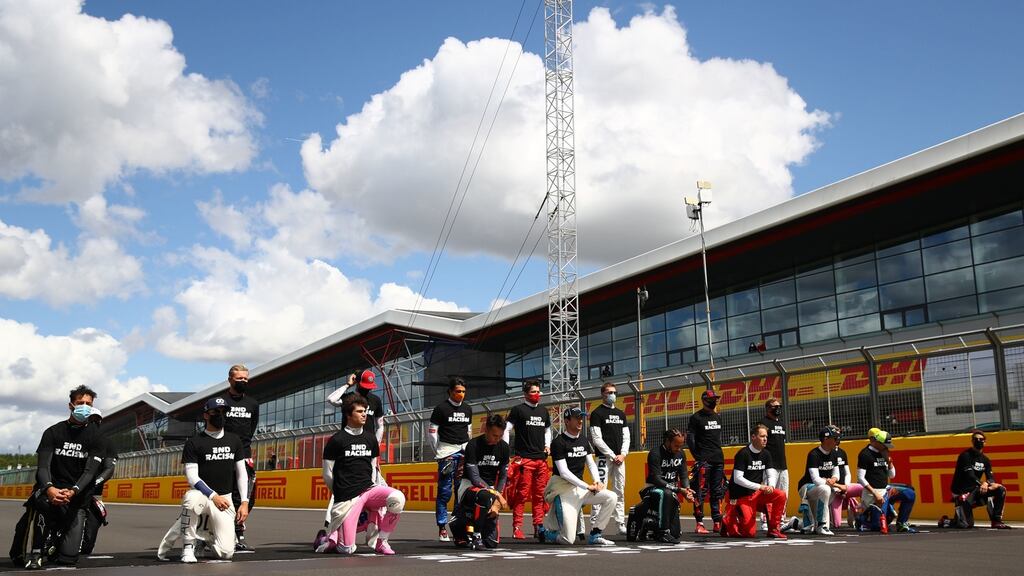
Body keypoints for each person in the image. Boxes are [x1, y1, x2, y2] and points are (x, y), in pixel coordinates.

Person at [13, 386, 104, 569]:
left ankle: (55, 542)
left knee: (68, 558)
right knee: (40, 505)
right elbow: (43, 466)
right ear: (71, 405)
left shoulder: (97, 437)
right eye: (80, 403)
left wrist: (73, 491)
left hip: (76, 496)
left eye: (89, 404)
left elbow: (90, 472)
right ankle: (35, 552)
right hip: (50, 491)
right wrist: (50, 488)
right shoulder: (53, 432)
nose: (84, 407)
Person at [159, 397, 249, 563]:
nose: (220, 415)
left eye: (223, 412)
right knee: (191, 499)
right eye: (216, 411)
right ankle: (188, 547)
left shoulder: (234, 440)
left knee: (226, 553)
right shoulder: (194, 442)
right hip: (204, 495)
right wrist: (213, 496)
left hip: (226, 499)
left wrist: (244, 502)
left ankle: (205, 537)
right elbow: (192, 476)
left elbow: (241, 473)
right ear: (206, 415)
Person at [316, 395, 405, 555]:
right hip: (347, 496)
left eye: (365, 411)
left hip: (368, 490)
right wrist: (340, 493)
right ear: (348, 415)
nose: (364, 414)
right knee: (347, 549)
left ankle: (381, 542)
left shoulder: (370, 439)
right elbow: (327, 474)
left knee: (397, 498)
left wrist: (371, 496)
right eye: (359, 411)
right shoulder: (336, 440)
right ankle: (326, 539)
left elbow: (372, 469)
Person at [537, 407, 616, 546]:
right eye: (576, 418)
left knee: (611, 497)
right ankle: (544, 532)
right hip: (563, 491)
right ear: (567, 421)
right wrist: (587, 486)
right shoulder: (558, 442)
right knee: (568, 540)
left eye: (581, 417)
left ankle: (595, 534)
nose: (580, 421)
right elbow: (564, 472)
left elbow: (591, 464)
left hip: (580, 490)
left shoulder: (584, 440)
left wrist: (597, 481)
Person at [449, 414, 510, 550]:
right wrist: (497, 496)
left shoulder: (504, 448)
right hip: (469, 486)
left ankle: (461, 522)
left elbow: (503, 476)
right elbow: (475, 478)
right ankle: (476, 536)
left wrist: (496, 501)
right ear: (486, 429)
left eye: (500, 436)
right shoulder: (473, 445)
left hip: (490, 491)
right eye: (495, 435)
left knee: (492, 543)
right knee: (485, 495)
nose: (497, 439)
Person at [503, 380, 552, 540]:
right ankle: (517, 527)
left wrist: (547, 446)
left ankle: (539, 526)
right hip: (524, 459)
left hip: (541, 460)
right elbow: (507, 429)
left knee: (539, 496)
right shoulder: (518, 410)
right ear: (525, 394)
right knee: (521, 495)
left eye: (538, 391)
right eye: (533, 392)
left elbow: (547, 430)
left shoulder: (544, 411)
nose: (537, 394)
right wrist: (504, 448)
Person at [428, 377, 473, 541]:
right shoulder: (441, 408)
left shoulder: (468, 409)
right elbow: (432, 433)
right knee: (444, 492)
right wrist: (439, 452)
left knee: (461, 492)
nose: (461, 394)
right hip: (446, 453)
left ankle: (457, 525)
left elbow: (469, 432)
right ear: (450, 391)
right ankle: (442, 527)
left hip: (463, 453)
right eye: (458, 391)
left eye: (463, 392)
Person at [220, 364, 259, 551]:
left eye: (245, 378)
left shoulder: (252, 404)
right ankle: (225, 533)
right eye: (239, 379)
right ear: (230, 379)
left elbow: (251, 428)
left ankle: (238, 532)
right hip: (223, 455)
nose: (243, 381)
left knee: (248, 496)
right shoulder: (221, 402)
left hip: (244, 453)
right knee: (226, 494)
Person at [631, 428, 695, 543]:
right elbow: (656, 479)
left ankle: (649, 524)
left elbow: (684, 476)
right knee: (666, 492)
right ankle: (663, 533)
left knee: (675, 533)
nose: (679, 449)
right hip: (652, 489)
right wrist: (679, 490)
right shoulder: (655, 453)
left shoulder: (681, 454)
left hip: (672, 491)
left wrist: (687, 490)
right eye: (676, 445)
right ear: (667, 441)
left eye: (681, 445)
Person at [942, 429, 1011, 529]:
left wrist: (989, 483)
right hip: (961, 491)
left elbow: (991, 478)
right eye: (976, 439)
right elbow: (970, 475)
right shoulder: (965, 456)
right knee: (966, 524)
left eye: (981, 439)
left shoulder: (985, 460)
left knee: (1000, 489)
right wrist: (982, 484)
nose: (979, 441)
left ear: (985, 442)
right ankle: (946, 520)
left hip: (975, 489)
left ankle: (996, 521)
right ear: (972, 441)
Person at [856, 428, 918, 533]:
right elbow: (860, 478)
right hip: (873, 492)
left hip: (886, 490)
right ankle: (861, 519)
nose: (886, 447)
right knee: (877, 526)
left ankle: (901, 523)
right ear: (876, 442)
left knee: (910, 493)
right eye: (885, 445)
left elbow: (892, 475)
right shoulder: (865, 454)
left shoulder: (884, 453)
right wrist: (875, 493)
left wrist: (889, 461)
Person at [589, 382, 630, 535]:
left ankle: (620, 523)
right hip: (603, 459)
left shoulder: (621, 414)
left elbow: (626, 436)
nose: (612, 395)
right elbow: (596, 439)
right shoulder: (597, 413)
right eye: (609, 392)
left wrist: (623, 454)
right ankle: (595, 524)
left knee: (620, 491)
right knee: (600, 491)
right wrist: (612, 456)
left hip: (620, 459)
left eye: (614, 392)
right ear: (602, 394)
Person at [686, 388, 725, 534]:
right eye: (712, 399)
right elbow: (690, 439)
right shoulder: (696, 418)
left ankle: (717, 521)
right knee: (700, 491)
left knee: (717, 491)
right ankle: (700, 523)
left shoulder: (718, 416)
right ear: (704, 400)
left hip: (718, 459)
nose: (714, 401)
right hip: (703, 460)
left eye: (716, 398)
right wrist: (698, 457)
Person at [80, 408, 118, 556]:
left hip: (94, 493)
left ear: (100, 422)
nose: (93, 423)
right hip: (69, 491)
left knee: (90, 538)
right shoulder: (73, 439)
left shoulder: (107, 442)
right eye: (90, 420)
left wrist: (93, 483)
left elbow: (109, 469)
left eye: (96, 420)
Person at [795, 426, 841, 536]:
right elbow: (815, 479)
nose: (838, 441)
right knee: (826, 489)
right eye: (835, 438)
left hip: (822, 488)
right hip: (807, 488)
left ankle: (794, 523)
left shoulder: (834, 453)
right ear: (826, 439)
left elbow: (837, 474)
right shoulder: (814, 454)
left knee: (811, 527)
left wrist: (833, 480)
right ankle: (822, 525)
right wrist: (829, 483)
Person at [327, 370, 385, 446]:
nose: (367, 389)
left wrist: (376, 446)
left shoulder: (375, 400)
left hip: (367, 445)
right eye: (365, 386)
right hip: (348, 444)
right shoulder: (349, 398)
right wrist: (348, 385)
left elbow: (380, 426)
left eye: (369, 387)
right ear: (357, 382)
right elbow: (331, 399)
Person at [757, 397, 788, 532]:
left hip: (783, 465)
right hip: (769, 466)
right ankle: (765, 520)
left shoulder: (782, 424)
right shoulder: (763, 423)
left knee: (783, 494)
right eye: (775, 407)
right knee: (769, 493)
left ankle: (780, 520)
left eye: (779, 406)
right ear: (768, 408)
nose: (778, 409)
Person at [828, 431, 862, 529]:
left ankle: (859, 512)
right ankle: (849, 502)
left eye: (838, 439)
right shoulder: (826, 453)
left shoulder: (842, 452)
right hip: (834, 489)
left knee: (864, 489)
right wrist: (836, 488)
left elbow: (847, 473)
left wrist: (846, 487)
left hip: (844, 487)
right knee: (837, 524)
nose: (837, 441)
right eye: (835, 439)